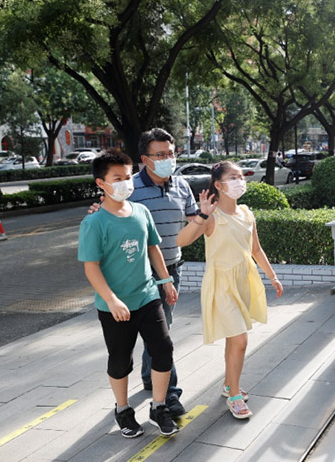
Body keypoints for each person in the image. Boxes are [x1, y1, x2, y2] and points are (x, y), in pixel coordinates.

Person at [88, 128, 197, 419]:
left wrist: (207, 217)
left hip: (169, 270)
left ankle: (157, 390)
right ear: (145, 159)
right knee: (139, 349)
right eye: (160, 155)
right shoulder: (126, 188)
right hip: (132, 281)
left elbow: (187, 225)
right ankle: (148, 401)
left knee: (162, 337)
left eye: (171, 154)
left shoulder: (181, 186)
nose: (167, 159)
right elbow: (104, 229)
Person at [78, 150, 180, 438]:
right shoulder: (94, 223)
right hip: (115, 306)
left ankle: (159, 407)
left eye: (127, 177)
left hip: (147, 296)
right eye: (117, 178)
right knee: (121, 359)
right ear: (101, 183)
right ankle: (123, 409)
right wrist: (111, 299)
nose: (125, 183)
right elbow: (91, 268)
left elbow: (153, 249)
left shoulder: (141, 212)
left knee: (163, 349)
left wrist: (166, 281)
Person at [176, 161, 283, 419]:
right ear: (218, 185)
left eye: (240, 177)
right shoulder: (211, 216)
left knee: (233, 339)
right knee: (240, 339)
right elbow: (181, 240)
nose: (239, 181)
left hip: (243, 281)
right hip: (221, 285)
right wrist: (201, 214)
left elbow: (256, 249)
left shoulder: (246, 213)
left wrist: (273, 276)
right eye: (232, 177)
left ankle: (228, 384)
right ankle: (234, 395)